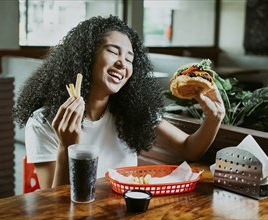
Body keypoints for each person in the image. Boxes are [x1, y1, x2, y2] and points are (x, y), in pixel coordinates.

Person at [13, 15, 225, 189]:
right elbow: (55, 204)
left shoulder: (132, 111)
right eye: (113, 52)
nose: (122, 63)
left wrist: (214, 119)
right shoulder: (43, 121)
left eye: (129, 59)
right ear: (86, 56)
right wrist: (68, 147)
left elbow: (189, 148)